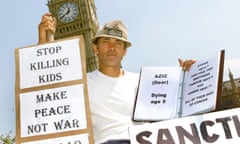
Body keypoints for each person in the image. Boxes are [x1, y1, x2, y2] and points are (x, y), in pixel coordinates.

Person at [38, 13, 195, 144]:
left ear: (124, 51)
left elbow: (176, 108)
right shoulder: (82, 83)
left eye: (118, 43)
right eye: (106, 41)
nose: (112, 47)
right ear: (95, 48)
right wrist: (43, 41)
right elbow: (47, 89)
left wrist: (189, 77)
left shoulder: (144, 81)